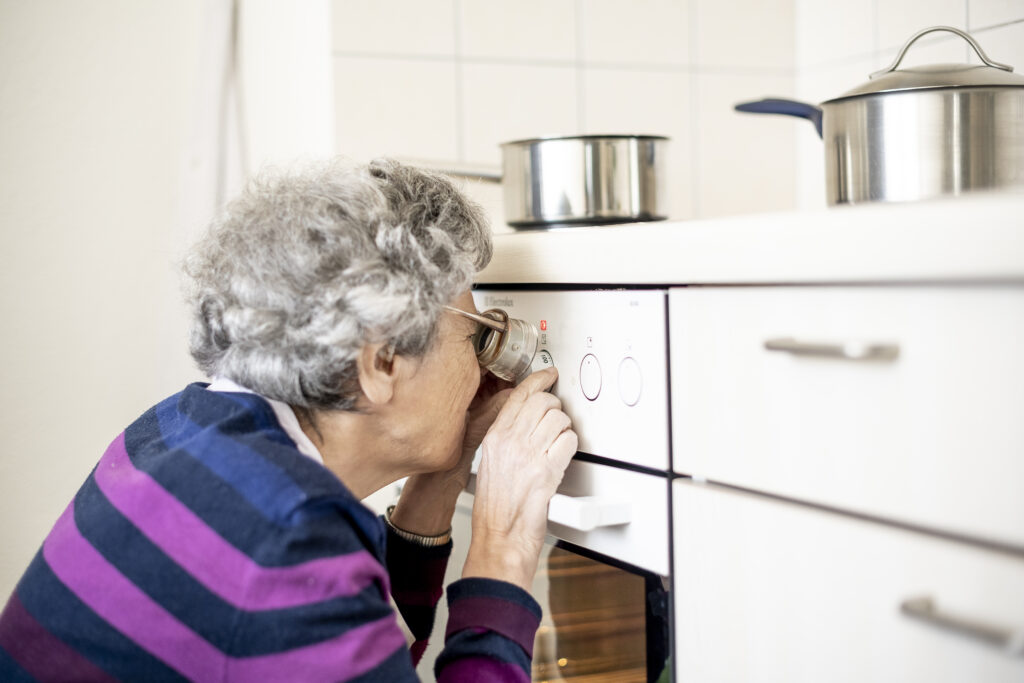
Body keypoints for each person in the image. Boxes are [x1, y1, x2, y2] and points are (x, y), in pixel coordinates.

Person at [0, 159, 578, 682]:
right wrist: (502, 547)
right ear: (380, 360)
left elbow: (352, 653)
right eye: (473, 334)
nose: (482, 365)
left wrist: (443, 474)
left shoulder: (171, 429)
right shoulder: (287, 537)